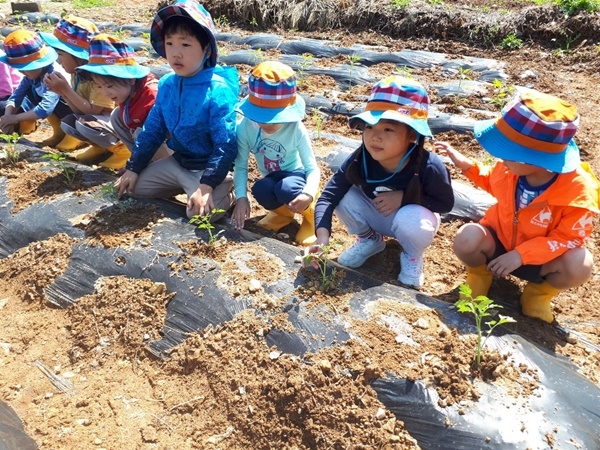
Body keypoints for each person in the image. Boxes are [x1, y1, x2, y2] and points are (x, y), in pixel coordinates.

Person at [436, 91, 599, 323]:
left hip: (541, 260)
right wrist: (466, 166)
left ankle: (537, 296)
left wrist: (522, 255)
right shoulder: (510, 170)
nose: (501, 160)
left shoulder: (577, 193)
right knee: (468, 237)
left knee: (580, 263)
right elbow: (491, 178)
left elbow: (566, 238)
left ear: (531, 159)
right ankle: (479, 277)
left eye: (507, 155)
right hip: (499, 244)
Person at [306, 76, 454, 289]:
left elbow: (445, 204)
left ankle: (412, 255)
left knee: (413, 220)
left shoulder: (429, 166)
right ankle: (369, 240)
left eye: (388, 130)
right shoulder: (360, 158)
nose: (375, 137)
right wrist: (321, 238)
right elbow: (328, 196)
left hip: (411, 221)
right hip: (378, 215)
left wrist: (404, 198)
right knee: (343, 196)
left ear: (411, 135)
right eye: (369, 127)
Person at [115, 0, 239, 221]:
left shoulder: (217, 90)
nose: (175, 53)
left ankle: (228, 189)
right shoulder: (168, 84)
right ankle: (184, 184)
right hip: (179, 162)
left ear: (207, 49)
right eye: (169, 43)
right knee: (133, 189)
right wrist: (133, 167)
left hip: (207, 169)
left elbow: (225, 144)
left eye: (185, 45)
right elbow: (153, 130)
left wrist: (207, 185)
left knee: (199, 216)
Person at [232, 60, 320, 245]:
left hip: (295, 174)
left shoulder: (295, 128)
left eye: (276, 118)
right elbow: (240, 166)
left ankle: (312, 218)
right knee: (261, 189)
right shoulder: (246, 128)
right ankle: (283, 215)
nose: (269, 124)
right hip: (272, 176)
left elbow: (312, 168)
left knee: (286, 189)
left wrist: (308, 194)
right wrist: (241, 197)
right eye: (263, 118)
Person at [74, 34, 171, 169]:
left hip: (173, 148)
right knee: (117, 115)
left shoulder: (152, 96)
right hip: (148, 143)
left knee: (141, 132)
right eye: (99, 86)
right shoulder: (129, 93)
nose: (105, 93)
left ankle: (162, 168)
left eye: (109, 86)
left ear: (131, 79)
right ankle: (142, 161)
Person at [40, 15, 120, 165]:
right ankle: (100, 147)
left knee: (86, 124)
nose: (58, 61)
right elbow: (78, 111)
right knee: (69, 123)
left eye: (61, 55)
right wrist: (62, 92)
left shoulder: (99, 78)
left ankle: (122, 151)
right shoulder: (76, 74)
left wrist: (66, 90)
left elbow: (93, 112)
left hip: (119, 125)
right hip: (101, 123)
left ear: (79, 56)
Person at [0, 29, 72, 138]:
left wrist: (15, 118)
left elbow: (44, 109)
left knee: (60, 102)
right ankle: (59, 129)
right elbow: (16, 96)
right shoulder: (31, 76)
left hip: (71, 110)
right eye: (20, 69)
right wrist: (7, 116)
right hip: (51, 107)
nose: (22, 72)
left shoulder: (53, 76)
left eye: (26, 68)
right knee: (29, 92)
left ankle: (72, 134)